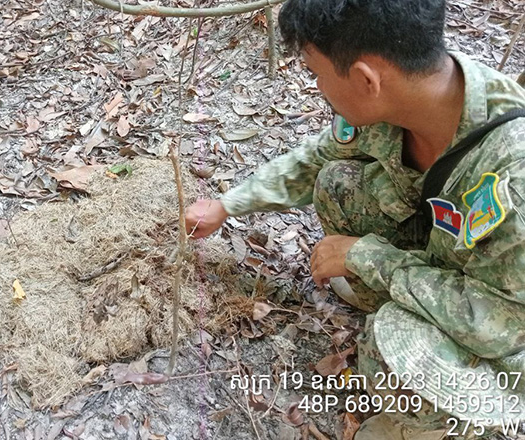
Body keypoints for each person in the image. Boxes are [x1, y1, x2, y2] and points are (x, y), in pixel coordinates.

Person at [184, 0, 525, 438]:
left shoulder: (513, 178)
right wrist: (228, 204)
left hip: (505, 335)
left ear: (366, 79)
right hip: (446, 258)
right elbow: (321, 155)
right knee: (338, 182)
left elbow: (500, 323)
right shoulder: (414, 92)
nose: (318, 87)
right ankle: (388, 300)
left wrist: (369, 258)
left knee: (394, 344)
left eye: (317, 74)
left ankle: (433, 425)